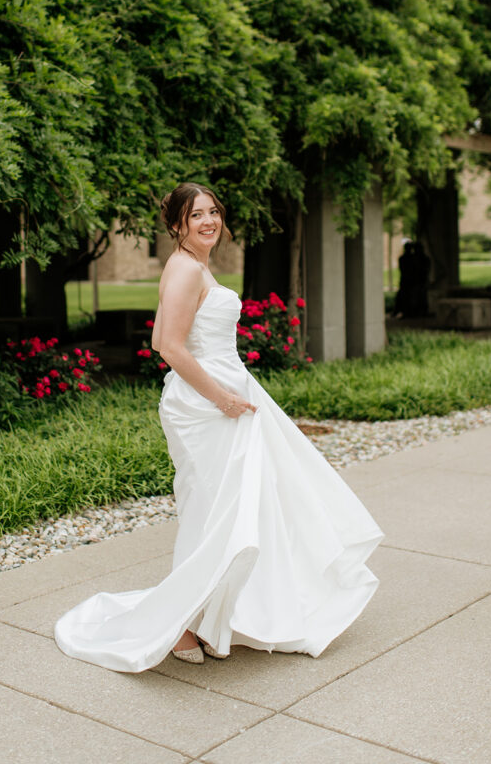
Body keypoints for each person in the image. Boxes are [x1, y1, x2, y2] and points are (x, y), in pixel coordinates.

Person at [54, 182, 383, 672]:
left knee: (237, 510)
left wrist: (232, 388)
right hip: (206, 408)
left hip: (222, 396)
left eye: (213, 212)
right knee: (211, 513)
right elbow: (167, 345)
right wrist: (223, 397)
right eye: (196, 215)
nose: (209, 221)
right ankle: (183, 624)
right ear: (177, 226)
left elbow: (163, 333)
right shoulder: (187, 269)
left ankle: (212, 614)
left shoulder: (190, 266)